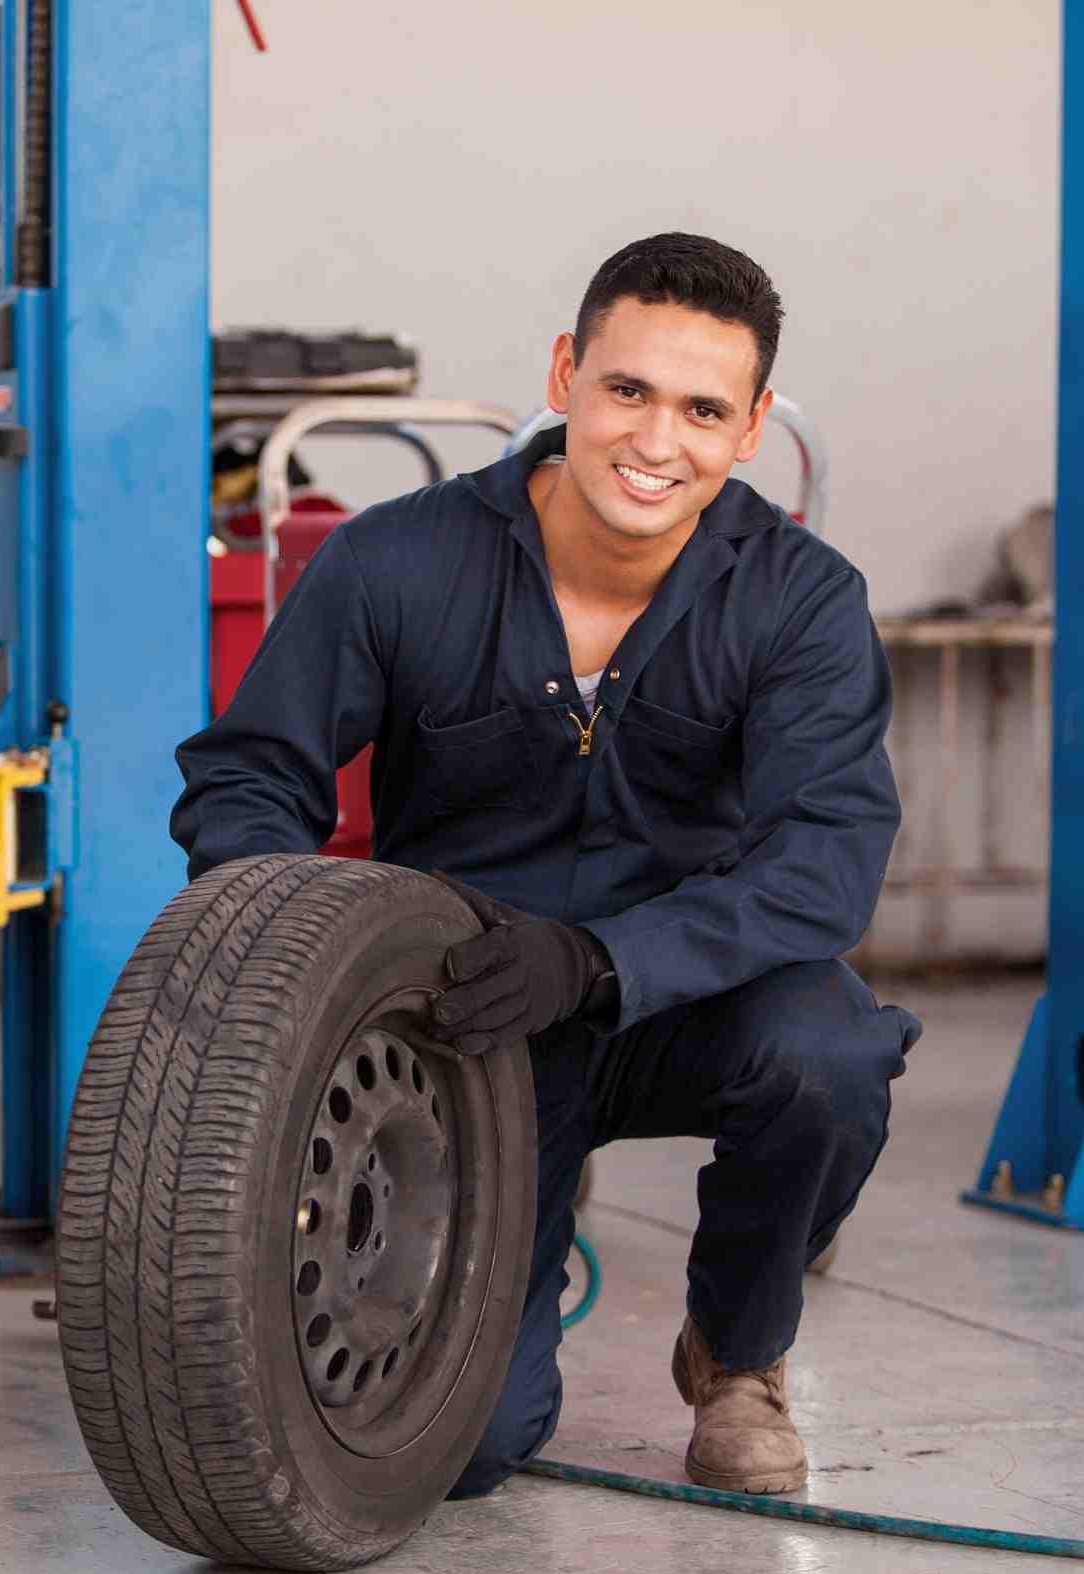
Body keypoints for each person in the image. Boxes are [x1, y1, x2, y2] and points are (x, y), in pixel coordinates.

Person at [172, 232, 920, 1498]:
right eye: (628, 389)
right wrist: (301, 978)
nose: (656, 441)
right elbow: (249, 778)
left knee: (831, 1055)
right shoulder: (397, 562)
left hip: (683, 999)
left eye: (703, 410)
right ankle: (524, 1205)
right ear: (567, 372)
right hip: (468, 1019)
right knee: (464, 1450)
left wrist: (602, 961)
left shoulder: (799, 600)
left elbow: (823, 863)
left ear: (751, 430)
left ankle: (738, 1353)